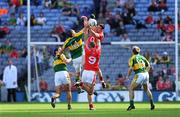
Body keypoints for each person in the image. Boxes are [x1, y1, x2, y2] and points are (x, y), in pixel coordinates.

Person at [126, 46, 155, 111]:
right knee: (147, 89)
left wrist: (127, 76)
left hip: (139, 74)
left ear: (133, 51)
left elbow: (130, 68)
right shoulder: (142, 57)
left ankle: (132, 105)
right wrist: (146, 72)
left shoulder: (132, 58)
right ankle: (152, 104)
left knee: (131, 88)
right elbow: (149, 65)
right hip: (146, 74)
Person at [81, 41, 101, 110]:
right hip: (92, 72)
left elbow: (85, 45)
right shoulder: (97, 52)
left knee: (89, 91)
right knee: (90, 92)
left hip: (85, 71)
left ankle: (91, 106)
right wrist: (98, 41)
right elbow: (99, 45)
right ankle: (81, 85)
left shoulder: (87, 51)